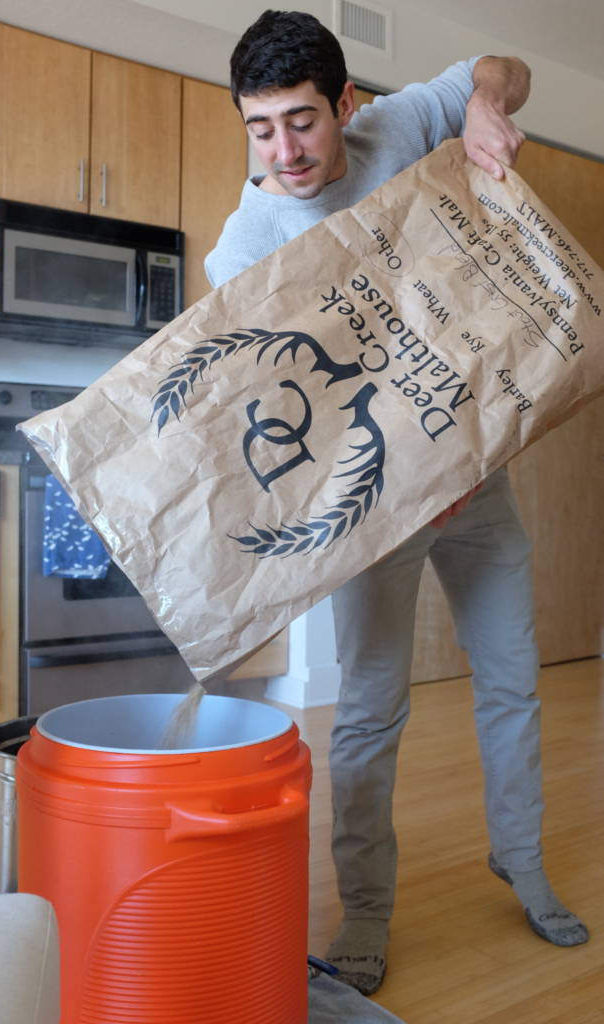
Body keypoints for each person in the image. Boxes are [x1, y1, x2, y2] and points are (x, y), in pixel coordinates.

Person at [205, 10, 588, 995]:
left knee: (510, 681)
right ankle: (364, 911)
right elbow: (277, 402)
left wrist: (489, 112)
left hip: (479, 487)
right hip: (375, 507)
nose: (283, 151)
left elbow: (494, 67)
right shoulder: (245, 245)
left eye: (300, 120)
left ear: (346, 105)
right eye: (260, 129)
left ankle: (522, 859)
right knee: (369, 713)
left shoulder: (400, 125)